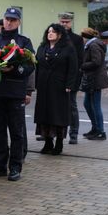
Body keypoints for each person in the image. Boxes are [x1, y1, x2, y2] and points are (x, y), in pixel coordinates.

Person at [0, 7, 35, 182]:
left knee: (16, 132)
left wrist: (13, 69)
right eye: (6, 19)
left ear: (18, 22)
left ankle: (15, 167)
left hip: (14, 93)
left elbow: (30, 66)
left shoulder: (24, 42)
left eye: (13, 19)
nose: (9, 22)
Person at [34, 24, 78, 155]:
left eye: (53, 32)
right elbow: (37, 65)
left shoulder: (68, 48)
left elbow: (73, 68)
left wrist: (69, 85)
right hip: (43, 86)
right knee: (44, 114)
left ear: (60, 34)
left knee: (58, 115)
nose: (50, 33)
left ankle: (59, 144)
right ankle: (48, 143)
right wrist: (35, 83)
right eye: (48, 31)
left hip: (59, 86)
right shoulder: (42, 47)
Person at [58, 13, 84, 144]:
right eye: (62, 22)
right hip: (56, 77)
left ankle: (73, 133)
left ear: (71, 23)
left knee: (71, 105)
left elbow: (80, 60)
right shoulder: (55, 36)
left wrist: (74, 79)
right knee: (55, 105)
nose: (64, 24)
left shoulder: (77, 39)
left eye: (66, 22)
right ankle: (51, 132)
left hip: (71, 78)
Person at [80, 28, 108, 140]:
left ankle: (101, 132)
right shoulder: (92, 44)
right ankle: (95, 128)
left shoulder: (93, 45)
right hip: (91, 79)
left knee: (95, 105)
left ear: (85, 37)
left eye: (82, 37)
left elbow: (96, 62)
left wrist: (82, 65)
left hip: (95, 79)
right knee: (87, 104)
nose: (81, 40)